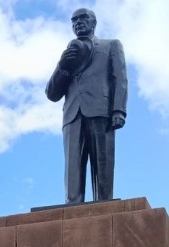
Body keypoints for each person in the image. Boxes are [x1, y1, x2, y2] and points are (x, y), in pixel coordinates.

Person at [46, 8, 127, 204]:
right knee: (72, 167)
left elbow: (120, 79)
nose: (78, 23)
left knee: (103, 164)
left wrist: (119, 110)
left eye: (83, 18)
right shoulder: (69, 54)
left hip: (101, 110)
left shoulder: (111, 45)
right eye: (74, 20)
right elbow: (52, 94)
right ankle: (72, 205)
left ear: (93, 23)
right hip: (72, 115)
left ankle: (104, 204)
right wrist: (63, 66)